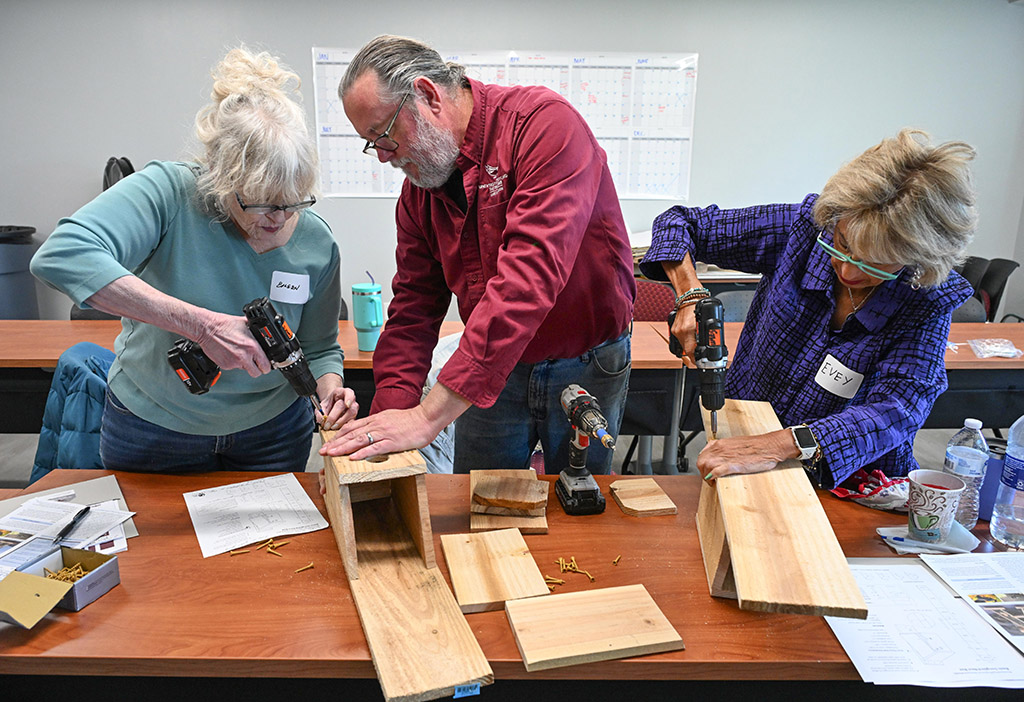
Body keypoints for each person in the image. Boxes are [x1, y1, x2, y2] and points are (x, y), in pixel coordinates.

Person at [30, 46, 357, 473]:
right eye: (261, 204)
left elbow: (319, 346)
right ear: (223, 179)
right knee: (155, 541)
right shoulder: (171, 194)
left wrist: (331, 389)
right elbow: (62, 255)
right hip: (154, 426)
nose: (279, 219)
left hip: (273, 432)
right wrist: (202, 326)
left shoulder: (316, 241)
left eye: (293, 202)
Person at [322, 35, 635, 475]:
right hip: (492, 370)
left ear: (428, 95)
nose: (383, 158)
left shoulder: (543, 126)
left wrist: (428, 417)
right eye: (371, 144)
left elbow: (528, 279)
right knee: (483, 500)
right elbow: (413, 309)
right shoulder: (420, 194)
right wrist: (386, 426)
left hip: (585, 361)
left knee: (578, 503)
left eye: (384, 136)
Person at [639, 128, 977, 489]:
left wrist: (782, 445)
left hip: (851, 481)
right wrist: (689, 294)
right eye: (842, 245)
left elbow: (896, 409)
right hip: (748, 437)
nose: (847, 271)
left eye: (875, 263)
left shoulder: (926, 296)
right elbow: (679, 223)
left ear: (918, 258)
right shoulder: (803, 232)